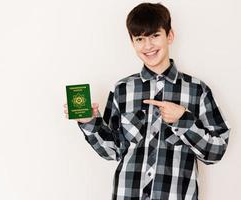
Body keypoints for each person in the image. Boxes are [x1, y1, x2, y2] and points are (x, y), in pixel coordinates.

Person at [63, 2, 230, 200]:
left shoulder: (197, 90)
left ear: (170, 35)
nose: (148, 46)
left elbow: (216, 152)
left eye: (155, 36)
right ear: (132, 42)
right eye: (140, 38)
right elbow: (112, 151)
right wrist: (90, 122)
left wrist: (183, 120)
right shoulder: (121, 90)